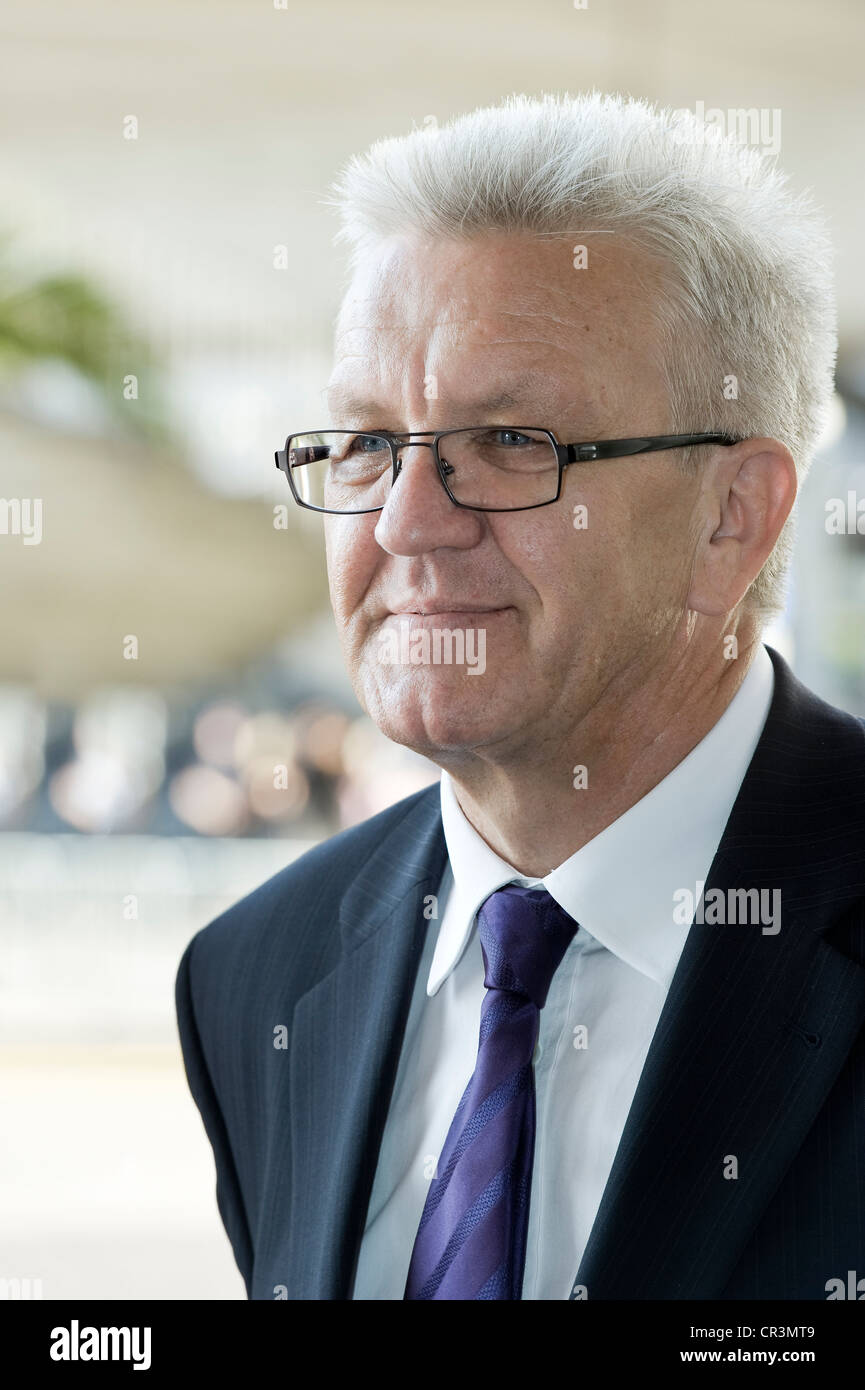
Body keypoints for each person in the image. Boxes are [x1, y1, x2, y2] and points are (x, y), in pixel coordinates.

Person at [175, 92, 865, 1300]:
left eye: (508, 441)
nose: (403, 522)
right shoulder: (256, 974)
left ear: (732, 517)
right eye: (364, 441)